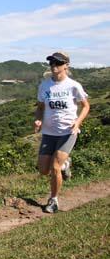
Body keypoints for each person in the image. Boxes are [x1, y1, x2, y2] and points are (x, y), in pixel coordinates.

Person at [34, 51, 90, 213]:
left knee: (55, 167)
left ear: (66, 65)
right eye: (51, 63)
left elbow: (86, 106)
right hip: (49, 133)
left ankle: (53, 200)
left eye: (58, 63)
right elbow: (40, 107)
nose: (54, 66)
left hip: (68, 132)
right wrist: (38, 119)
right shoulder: (44, 85)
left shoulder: (73, 85)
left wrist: (77, 122)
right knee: (43, 170)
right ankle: (66, 163)